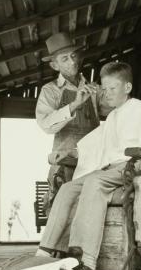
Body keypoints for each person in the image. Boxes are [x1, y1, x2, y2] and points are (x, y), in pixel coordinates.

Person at [34, 61, 141, 270]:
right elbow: (92, 146)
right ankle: (45, 253)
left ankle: (86, 263)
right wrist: (68, 153)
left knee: (93, 181)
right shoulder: (112, 118)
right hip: (111, 172)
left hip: (133, 170)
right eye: (104, 88)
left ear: (127, 88)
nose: (106, 94)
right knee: (68, 187)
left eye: (112, 89)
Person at [35, 32, 109, 210]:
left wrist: (107, 94)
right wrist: (74, 105)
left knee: (91, 211)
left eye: (74, 56)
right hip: (65, 163)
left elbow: (112, 111)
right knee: (64, 213)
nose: (72, 61)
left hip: (92, 161)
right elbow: (46, 125)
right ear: (54, 65)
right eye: (65, 58)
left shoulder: (92, 88)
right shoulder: (50, 91)